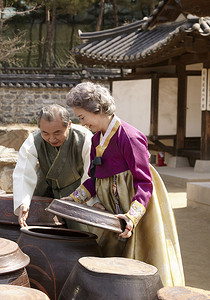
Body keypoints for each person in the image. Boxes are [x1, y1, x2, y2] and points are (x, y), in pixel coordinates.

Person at [63, 81, 184, 286]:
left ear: (98, 109)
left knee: (139, 260)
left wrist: (132, 217)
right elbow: (95, 178)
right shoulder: (95, 141)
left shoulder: (129, 137)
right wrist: (73, 199)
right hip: (112, 210)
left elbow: (144, 182)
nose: (82, 123)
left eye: (82, 117)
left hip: (136, 209)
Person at [13, 104, 95, 229]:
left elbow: (89, 175)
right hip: (46, 191)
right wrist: (23, 202)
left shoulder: (85, 139)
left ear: (69, 125)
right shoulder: (34, 140)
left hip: (76, 196)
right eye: (45, 133)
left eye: (57, 133)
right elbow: (23, 172)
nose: (52, 139)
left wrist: (86, 203)